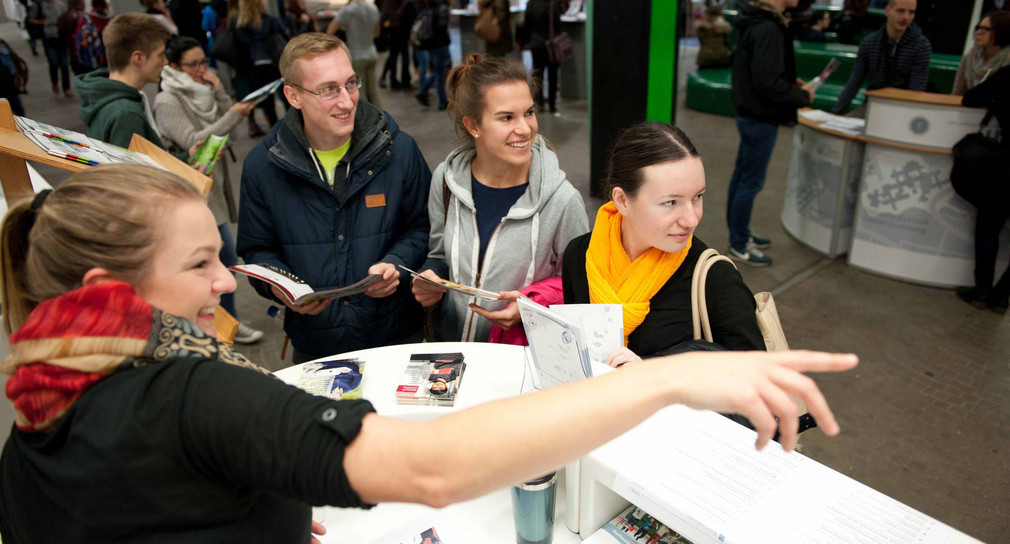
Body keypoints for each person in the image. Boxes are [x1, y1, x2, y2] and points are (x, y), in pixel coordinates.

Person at [0, 163, 858, 541]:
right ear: (107, 283)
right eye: (199, 264)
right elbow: (437, 468)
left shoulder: (44, 394)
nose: (228, 283)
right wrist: (673, 379)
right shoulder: (188, 394)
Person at [237, 32, 430, 362]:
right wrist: (285, 289)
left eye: (351, 83)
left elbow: (423, 227)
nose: (347, 101)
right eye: (328, 89)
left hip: (398, 337)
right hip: (316, 347)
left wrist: (396, 265)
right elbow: (258, 249)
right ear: (293, 96)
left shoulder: (398, 151)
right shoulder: (263, 166)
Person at [412, 54, 589, 342]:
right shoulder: (446, 180)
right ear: (474, 126)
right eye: (507, 117)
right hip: (453, 352)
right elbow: (440, 255)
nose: (525, 128)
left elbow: (581, 287)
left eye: (529, 113)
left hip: (520, 359)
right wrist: (429, 276)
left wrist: (531, 304)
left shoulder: (563, 201)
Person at [563, 122, 764, 360]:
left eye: (698, 197)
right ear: (622, 201)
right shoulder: (580, 255)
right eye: (671, 202)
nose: (691, 219)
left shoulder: (715, 280)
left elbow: (758, 378)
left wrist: (653, 376)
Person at [154, 35, 263, 343]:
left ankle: (223, 324)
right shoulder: (167, 100)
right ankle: (223, 326)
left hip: (212, 181)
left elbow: (231, 132)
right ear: (174, 67)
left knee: (221, 257)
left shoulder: (203, 91)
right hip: (189, 188)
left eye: (204, 61)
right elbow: (193, 140)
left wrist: (220, 94)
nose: (202, 69)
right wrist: (231, 114)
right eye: (193, 64)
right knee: (223, 256)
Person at [725, 0, 813, 267]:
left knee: (743, 178)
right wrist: (800, 95)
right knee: (750, 182)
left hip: (751, 113)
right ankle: (739, 243)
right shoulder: (768, 28)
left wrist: (788, 83)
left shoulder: (755, 22)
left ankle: (739, 234)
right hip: (760, 116)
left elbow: (762, 73)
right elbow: (766, 81)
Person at [75, 13, 177, 150]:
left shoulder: (103, 95)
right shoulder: (126, 114)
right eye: (160, 55)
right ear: (138, 58)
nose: (165, 62)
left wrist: (188, 157)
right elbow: (131, 170)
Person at [955, 64, 1010, 314]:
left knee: (988, 227)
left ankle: (983, 289)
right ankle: (1002, 295)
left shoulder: (1007, 74)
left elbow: (971, 98)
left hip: (1003, 167)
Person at [830, 0, 932, 115]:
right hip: (872, 105)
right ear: (888, 10)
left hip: (902, 110)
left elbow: (916, 92)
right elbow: (854, 84)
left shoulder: (921, 46)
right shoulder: (869, 43)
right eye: (900, 11)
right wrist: (834, 114)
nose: (906, 17)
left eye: (911, 12)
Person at [231, 0, 288, 137]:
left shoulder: (239, 23)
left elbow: (238, 46)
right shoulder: (269, 20)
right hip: (273, 60)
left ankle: (275, 130)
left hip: (254, 64)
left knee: (266, 100)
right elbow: (284, 34)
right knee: (284, 95)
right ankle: (292, 125)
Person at [326, 0, 382, 107]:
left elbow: (330, 31)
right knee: (373, 93)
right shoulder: (373, 8)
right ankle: (382, 120)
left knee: (361, 93)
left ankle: (364, 121)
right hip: (372, 52)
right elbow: (377, 33)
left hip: (356, 55)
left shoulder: (347, 10)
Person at [952, 10, 1010, 95]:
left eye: (985, 29)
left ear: (1002, 31)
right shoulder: (971, 56)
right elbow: (957, 94)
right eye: (978, 28)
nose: (978, 32)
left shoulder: (1007, 60)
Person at [519, 0, 562, 113]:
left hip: (536, 43)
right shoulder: (553, 4)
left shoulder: (532, 4)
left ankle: (539, 103)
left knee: (538, 74)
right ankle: (552, 104)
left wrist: (524, 42)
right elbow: (558, 24)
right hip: (551, 43)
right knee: (553, 74)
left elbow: (527, 25)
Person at [27, 0, 71, 96]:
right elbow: (30, 19)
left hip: (60, 38)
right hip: (48, 39)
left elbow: (66, 17)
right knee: (54, 62)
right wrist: (42, 23)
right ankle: (54, 81)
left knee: (64, 64)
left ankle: (66, 88)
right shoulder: (39, 6)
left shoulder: (59, 5)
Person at [413, 0, 450, 110]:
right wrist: (445, 42)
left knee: (438, 70)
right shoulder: (442, 7)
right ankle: (442, 100)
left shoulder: (429, 6)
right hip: (439, 44)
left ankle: (424, 90)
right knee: (440, 72)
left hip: (430, 43)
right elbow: (441, 27)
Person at [695, 1, 732, 68]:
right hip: (722, 58)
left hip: (705, 58)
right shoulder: (724, 27)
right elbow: (726, 42)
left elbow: (701, 40)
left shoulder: (702, 27)